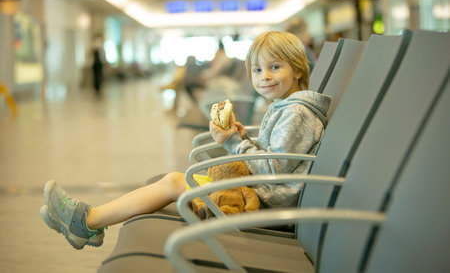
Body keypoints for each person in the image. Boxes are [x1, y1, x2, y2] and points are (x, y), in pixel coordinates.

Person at [40, 31, 330, 249]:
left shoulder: (296, 113)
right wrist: (242, 138)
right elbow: (276, 159)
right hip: (258, 195)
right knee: (174, 180)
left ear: (298, 69)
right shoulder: (287, 107)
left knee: (174, 182)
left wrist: (232, 142)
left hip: (263, 206)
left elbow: (274, 170)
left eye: (275, 67)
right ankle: (87, 220)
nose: (264, 76)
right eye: (256, 70)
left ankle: (86, 222)